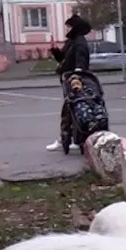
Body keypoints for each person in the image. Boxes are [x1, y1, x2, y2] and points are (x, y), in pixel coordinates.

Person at [46, 13, 92, 153]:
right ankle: (74, 140)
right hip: (68, 80)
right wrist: (54, 50)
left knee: (69, 110)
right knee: (72, 110)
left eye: (68, 26)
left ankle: (65, 139)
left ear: (75, 27)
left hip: (74, 82)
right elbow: (63, 59)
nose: (66, 29)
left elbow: (81, 61)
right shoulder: (71, 42)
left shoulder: (79, 42)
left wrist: (77, 75)